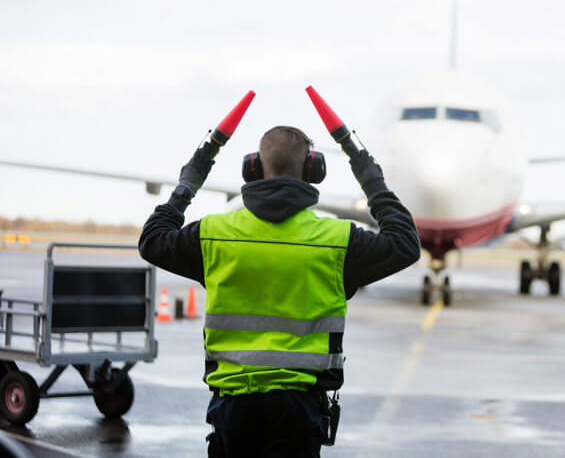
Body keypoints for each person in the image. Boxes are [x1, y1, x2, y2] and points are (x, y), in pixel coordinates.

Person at [138, 125, 420, 457]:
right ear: (314, 169)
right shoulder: (338, 240)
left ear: (253, 168)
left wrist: (189, 182)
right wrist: (370, 177)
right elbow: (405, 243)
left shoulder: (213, 235)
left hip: (233, 411)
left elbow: (152, 240)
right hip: (299, 413)